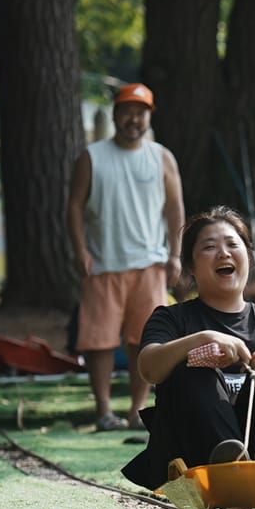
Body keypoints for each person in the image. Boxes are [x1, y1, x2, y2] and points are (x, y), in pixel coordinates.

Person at [121, 208, 255, 489]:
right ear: (191, 266)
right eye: (210, 247)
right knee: (193, 370)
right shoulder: (172, 318)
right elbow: (148, 368)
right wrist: (201, 339)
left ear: (248, 258)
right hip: (198, 457)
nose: (223, 253)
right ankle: (226, 460)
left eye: (232, 244)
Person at [67, 83, 184, 432]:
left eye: (141, 112)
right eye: (127, 111)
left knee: (145, 340)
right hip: (103, 264)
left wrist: (175, 254)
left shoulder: (162, 157)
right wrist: (80, 250)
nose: (134, 119)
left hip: (150, 263)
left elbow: (175, 209)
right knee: (99, 342)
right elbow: (74, 206)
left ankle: (137, 411)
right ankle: (103, 411)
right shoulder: (93, 156)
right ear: (116, 114)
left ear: (149, 116)